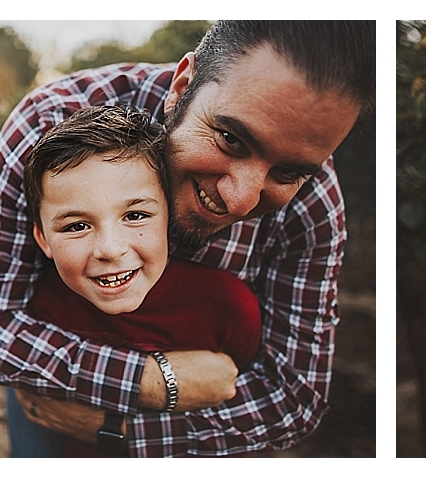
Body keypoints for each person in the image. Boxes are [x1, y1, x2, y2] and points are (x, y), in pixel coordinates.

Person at [0, 21, 374, 457]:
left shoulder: (313, 200)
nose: (241, 201)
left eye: (287, 172)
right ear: (182, 86)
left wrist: (117, 427)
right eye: (231, 139)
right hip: (53, 392)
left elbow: (292, 399)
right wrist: (157, 381)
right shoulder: (51, 125)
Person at [15, 105, 264, 457]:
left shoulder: (228, 307)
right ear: (43, 240)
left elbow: (246, 419)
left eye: (135, 215)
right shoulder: (42, 309)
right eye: (76, 226)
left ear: (168, 218)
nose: (110, 249)